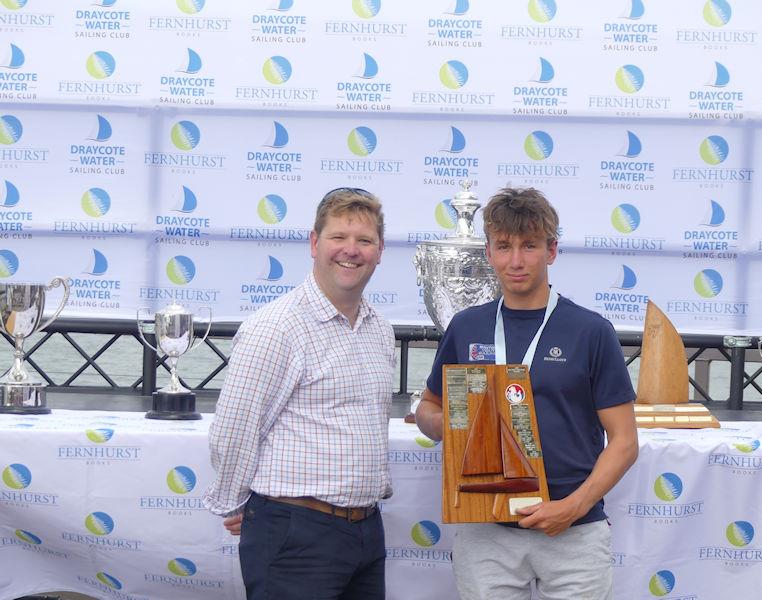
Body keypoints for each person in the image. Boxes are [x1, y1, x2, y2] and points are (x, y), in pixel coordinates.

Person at [415, 187, 638, 600]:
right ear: (489, 252)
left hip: (573, 528)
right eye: (504, 246)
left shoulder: (591, 331)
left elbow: (624, 442)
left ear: (551, 251)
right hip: (486, 528)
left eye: (529, 246)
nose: (515, 261)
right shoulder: (466, 327)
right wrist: (454, 422)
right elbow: (429, 409)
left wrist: (572, 506)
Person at [203, 187, 396, 600]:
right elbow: (235, 429)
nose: (351, 251)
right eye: (338, 238)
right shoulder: (276, 328)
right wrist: (241, 505)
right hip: (296, 535)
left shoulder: (380, 328)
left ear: (380, 250)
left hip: (366, 530)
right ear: (314, 243)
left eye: (364, 241)